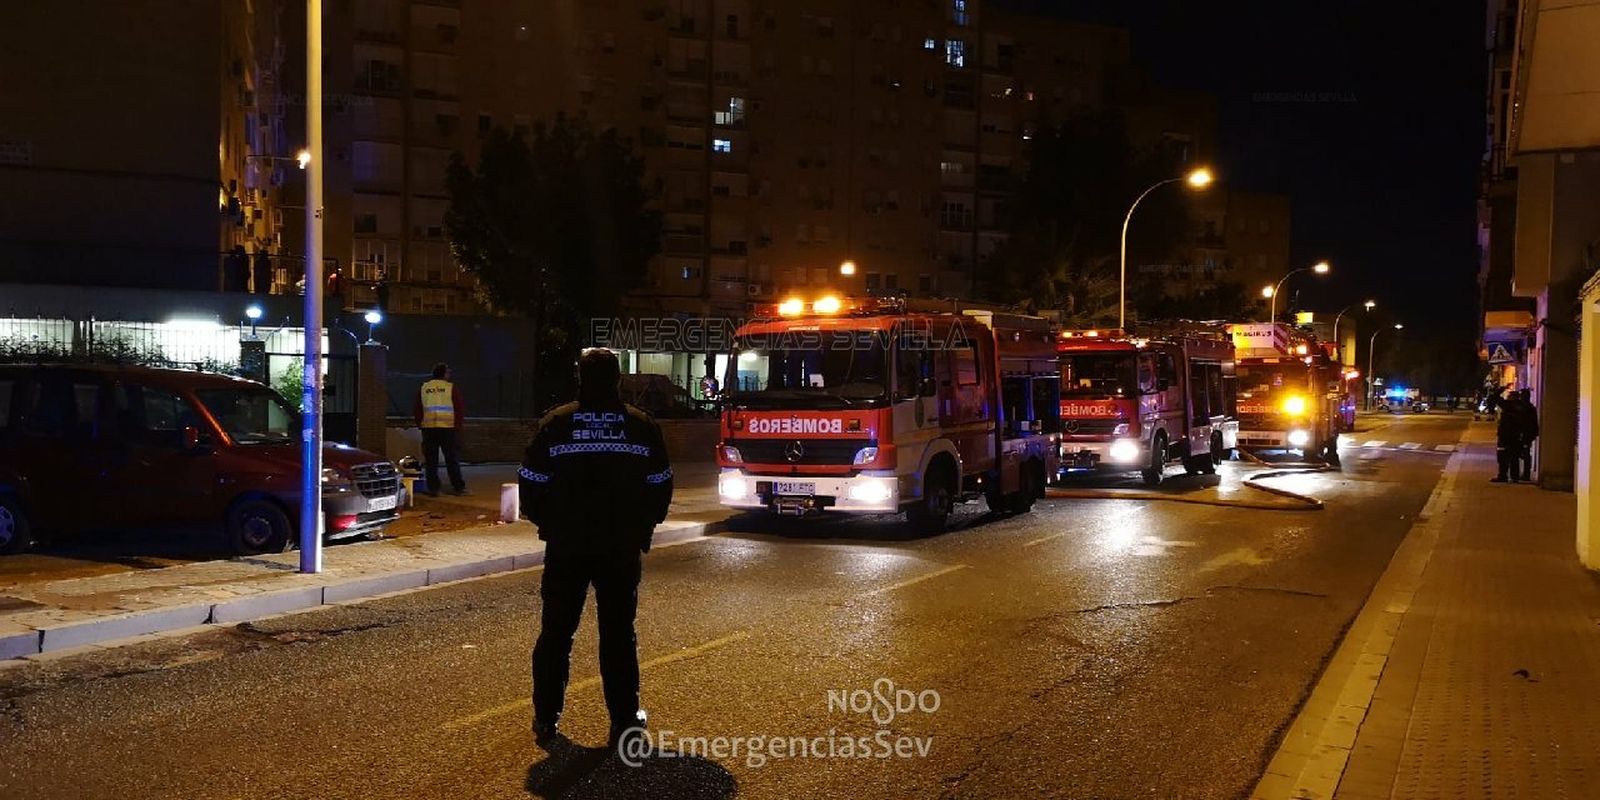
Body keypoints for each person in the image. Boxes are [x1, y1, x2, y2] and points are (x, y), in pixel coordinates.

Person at [520, 348, 673, 747]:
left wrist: (551, 525)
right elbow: (660, 485)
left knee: (556, 633)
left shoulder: (556, 424)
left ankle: (546, 717)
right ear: (618, 379)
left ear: (580, 379)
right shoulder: (640, 425)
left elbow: (530, 485)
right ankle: (624, 720)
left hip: (567, 547)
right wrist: (643, 527)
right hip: (620, 548)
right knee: (618, 635)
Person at [414, 363, 467, 496]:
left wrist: (420, 424)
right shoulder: (450, 388)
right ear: (444, 374)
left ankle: (433, 488)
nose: (449, 374)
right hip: (448, 428)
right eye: (448, 372)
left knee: (431, 461)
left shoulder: (424, 388)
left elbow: (418, 408)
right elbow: (458, 408)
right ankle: (458, 487)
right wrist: (458, 427)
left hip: (429, 428)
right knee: (452, 459)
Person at [1492, 389, 1524, 483]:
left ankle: (1503, 476)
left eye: (1509, 396)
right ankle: (1514, 477)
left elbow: (1495, 397)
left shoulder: (1507, 405)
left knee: (1503, 457)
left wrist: (1503, 388)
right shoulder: (1522, 407)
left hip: (1505, 436)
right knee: (1514, 457)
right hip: (1516, 436)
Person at [1516, 388, 1539, 482]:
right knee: (1523, 454)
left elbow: (1531, 422)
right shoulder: (1529, 408)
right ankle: (1523, 474)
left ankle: (1525, 474)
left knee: (1524, 454)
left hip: (1525, 434)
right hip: (1526, 434)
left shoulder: (1526, 408)